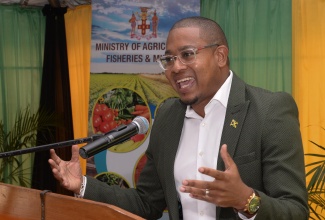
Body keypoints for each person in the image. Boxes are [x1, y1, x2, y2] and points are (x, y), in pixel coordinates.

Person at [49, 16, 309, 220]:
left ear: (220, 55)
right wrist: (82, 184)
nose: (175, 67)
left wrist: (246, 199)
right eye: (169, 59)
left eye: (187, 54)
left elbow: (295, 211)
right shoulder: (168, 117)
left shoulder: (269, 110)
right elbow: (147, 203)